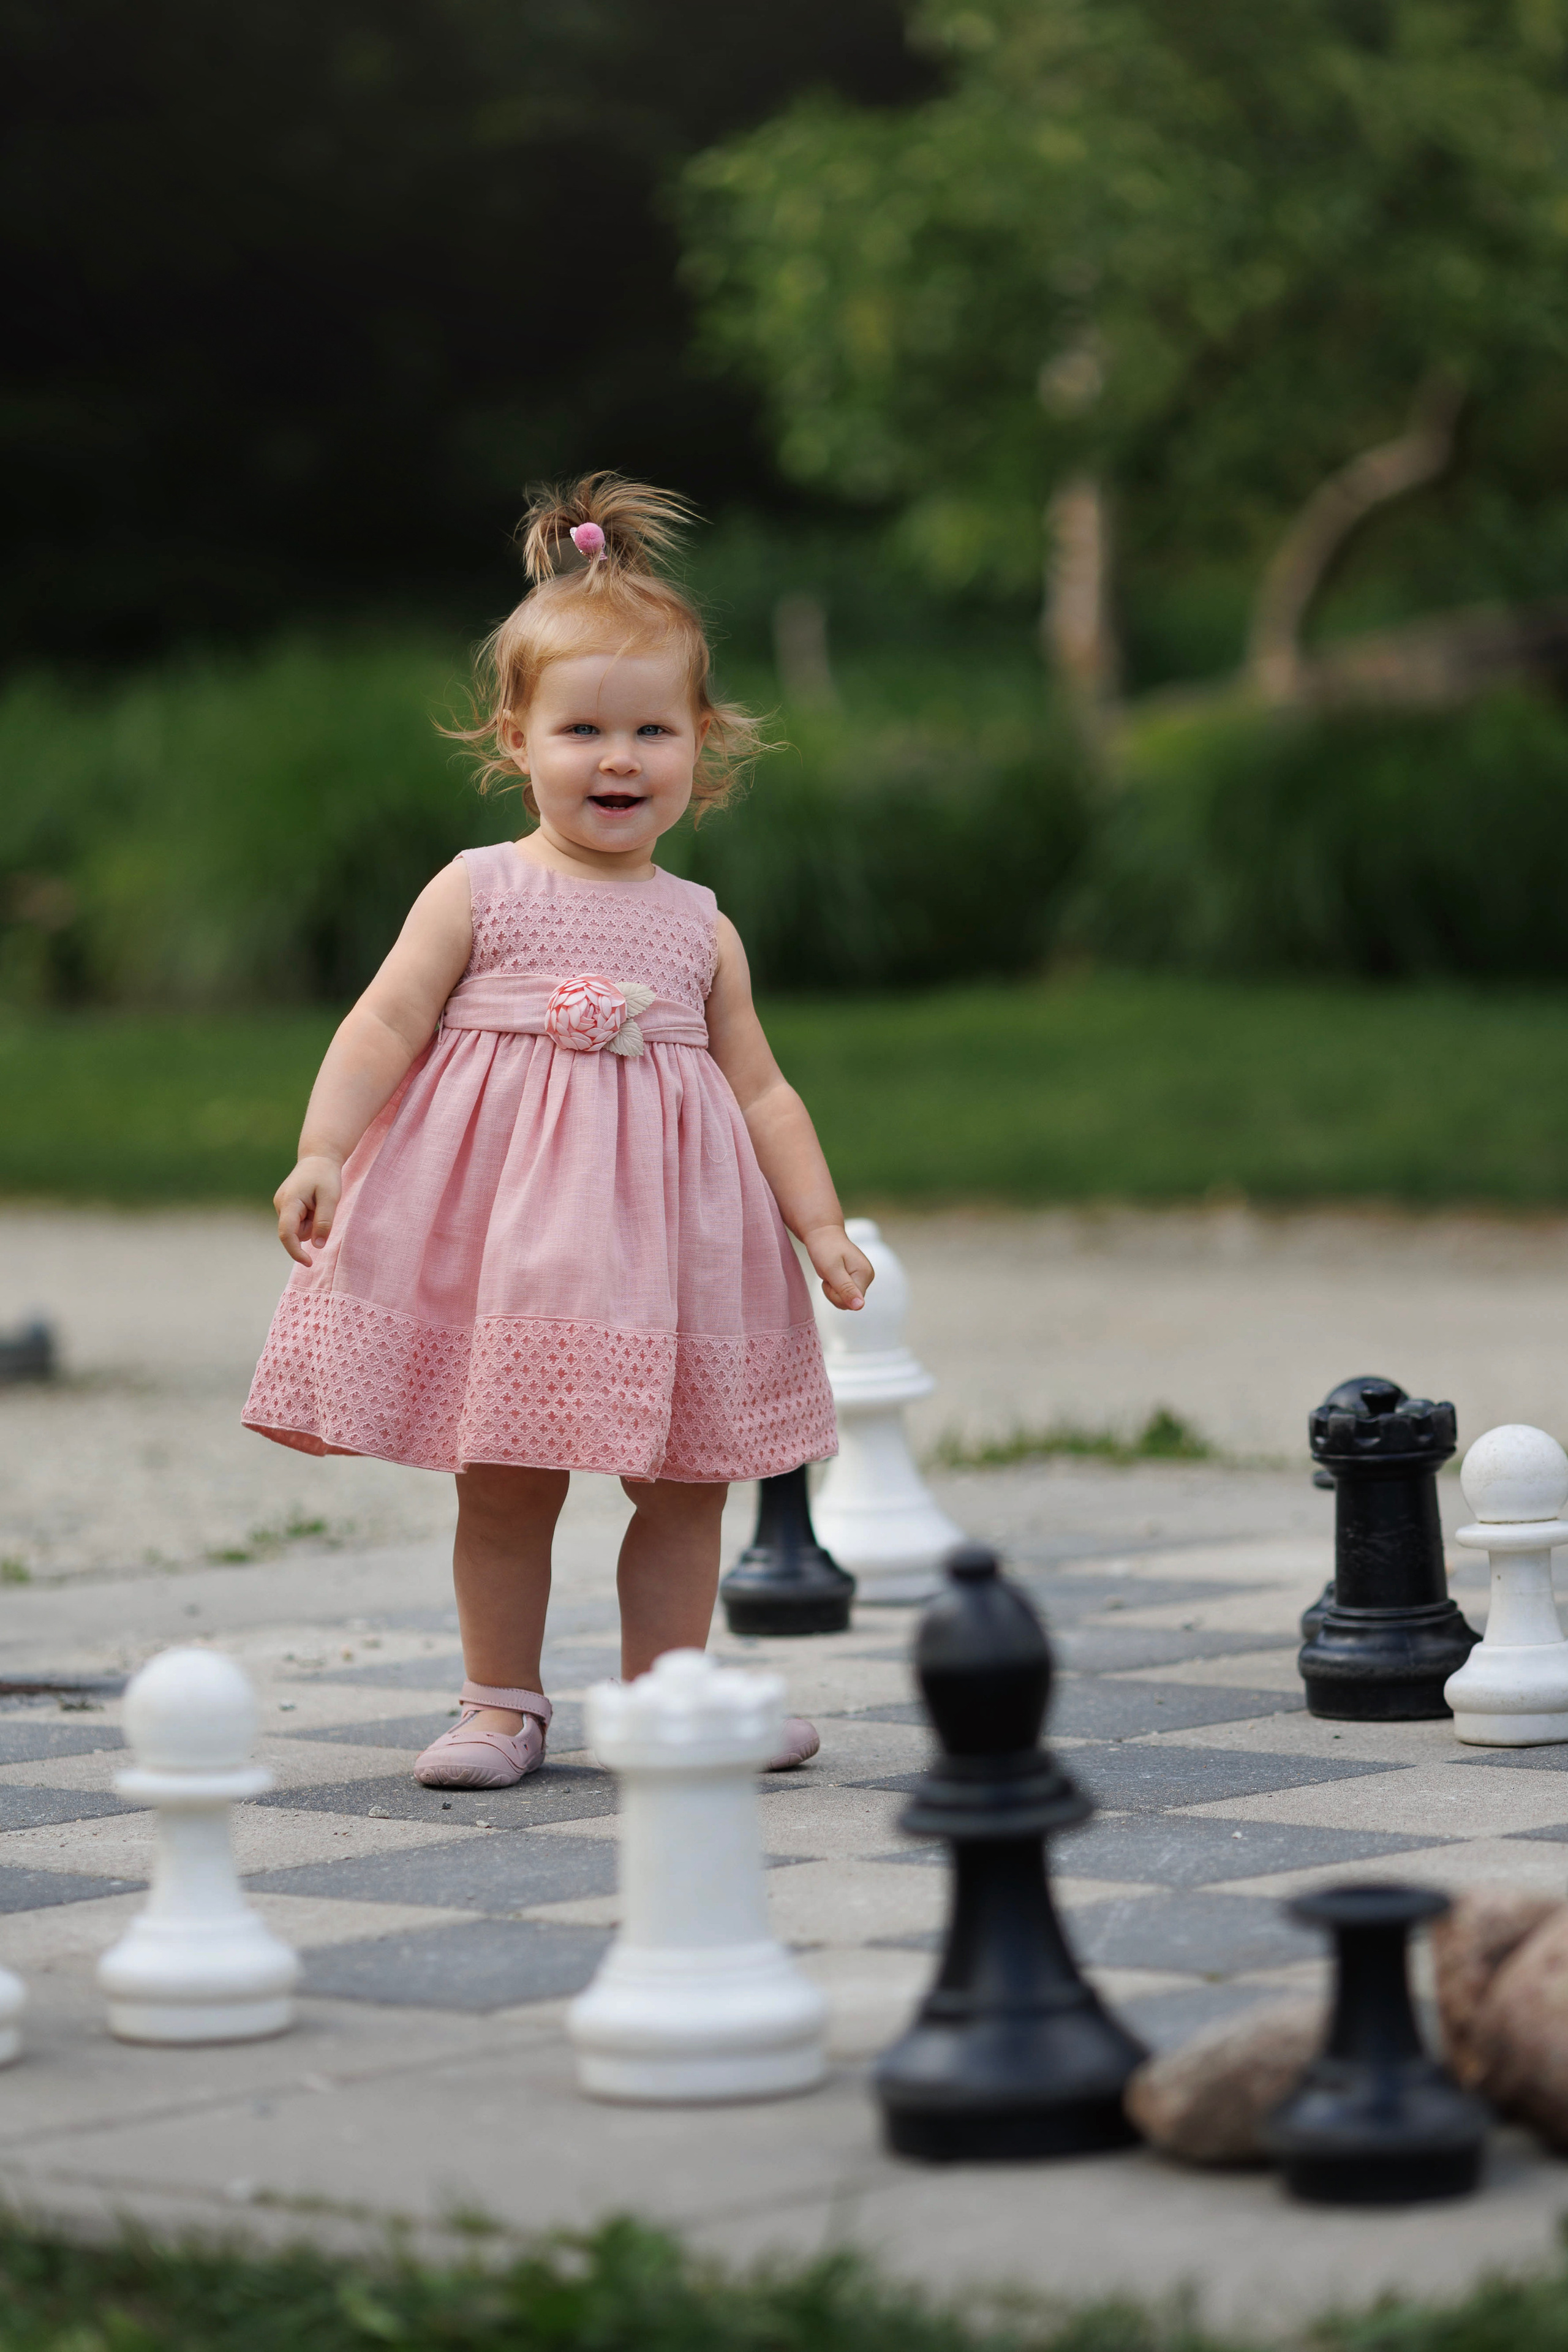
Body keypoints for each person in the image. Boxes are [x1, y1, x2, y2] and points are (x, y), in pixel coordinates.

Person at [243, 474, 872, 1789]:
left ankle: (668, 1700)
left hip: (673, 1256)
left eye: (651, 730)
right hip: (513, 1247)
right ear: (513, 741)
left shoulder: (700, 925)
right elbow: (381, 1024)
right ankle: (499, 1702)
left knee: (688, 1483)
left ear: (703, 745)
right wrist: (320, 1147)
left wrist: (818, 1226)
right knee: (508, 1478)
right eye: (580, 728)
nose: (618, 759)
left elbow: (763, 1091)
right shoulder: (477, 890)